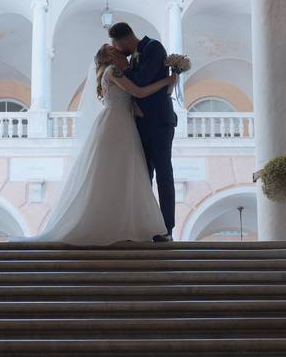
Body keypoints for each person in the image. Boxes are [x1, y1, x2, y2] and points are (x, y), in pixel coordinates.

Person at [15, 44, 177, 246]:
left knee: (120, 175)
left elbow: (134, 98)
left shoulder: (115, 71)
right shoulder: (113, 71)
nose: (119, 50)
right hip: (117, 125)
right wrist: (167, 80)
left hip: (122, 123)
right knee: (116, 174)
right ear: (109, 55)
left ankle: (123, 223)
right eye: (114, 49)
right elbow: (140, 92)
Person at [109, 22, 177, 242]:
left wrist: (125, 67)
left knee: (163, 173)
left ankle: (167, 227)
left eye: (118, 46)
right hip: (139, 123)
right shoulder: (132, 56)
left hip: (159, 122)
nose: (118, 51)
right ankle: (145, 224)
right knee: (144, 175)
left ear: (125, 41)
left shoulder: (154, 48)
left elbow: (141, 81)